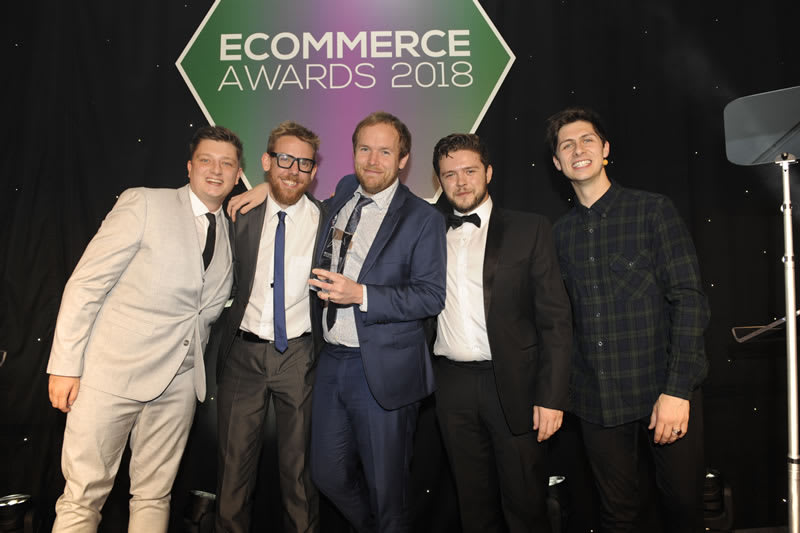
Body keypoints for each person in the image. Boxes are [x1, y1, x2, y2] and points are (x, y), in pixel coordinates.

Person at [228, 111, 446, 532]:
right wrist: (266, 187)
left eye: (385, 152)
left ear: (403, 160)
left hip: (382, 369)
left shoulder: (423, 218)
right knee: (325, 475)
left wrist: (361, 294)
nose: (373, 160)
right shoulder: (345, 191)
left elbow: (430, 295)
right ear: (353, 153)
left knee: (387, 491)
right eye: (365, 149)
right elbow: (297, 193)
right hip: (329, 362)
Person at [46, 125, 242, 532]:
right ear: (189, 167)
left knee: (155, 496)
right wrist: (64, 366)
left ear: (238, 174)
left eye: (226, 164)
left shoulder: (229, 230)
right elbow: (86, 284)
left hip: (179, 385)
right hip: (110, 377)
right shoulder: (144, 204)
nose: (215, 170)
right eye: (206, 160)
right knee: (83, 496)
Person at [546, 106, 709, 532]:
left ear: (605, 150)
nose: (578, 150)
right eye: (566, 145)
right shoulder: (558, 235)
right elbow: (560, 320)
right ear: (557, 163)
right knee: (616, 516)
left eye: (587, 140)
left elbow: (689, 300)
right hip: (596, 400)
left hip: (662, 392)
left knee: (683, 509)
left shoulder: (652, 211)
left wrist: (677, 391)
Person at [430, 133, 572, 532]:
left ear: (489, 172)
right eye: (450, 174)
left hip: (515, 384)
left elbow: (556, 319)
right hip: (451, 386)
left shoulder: (530, 228)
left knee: (526, 505)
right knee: (473, 508)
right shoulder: (427, 232)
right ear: (439, 181)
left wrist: (552, 397)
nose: (461, 182)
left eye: (470, 171)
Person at [212, 121, 323, 533]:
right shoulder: (238, 213)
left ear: (315, 170)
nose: (293, 170)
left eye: (304, 163)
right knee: (232, 473)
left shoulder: (326, 217)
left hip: (300, 356)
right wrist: (260, 191)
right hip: (242, 355)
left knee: (300, 473)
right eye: (285, 159)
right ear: (266, 161)